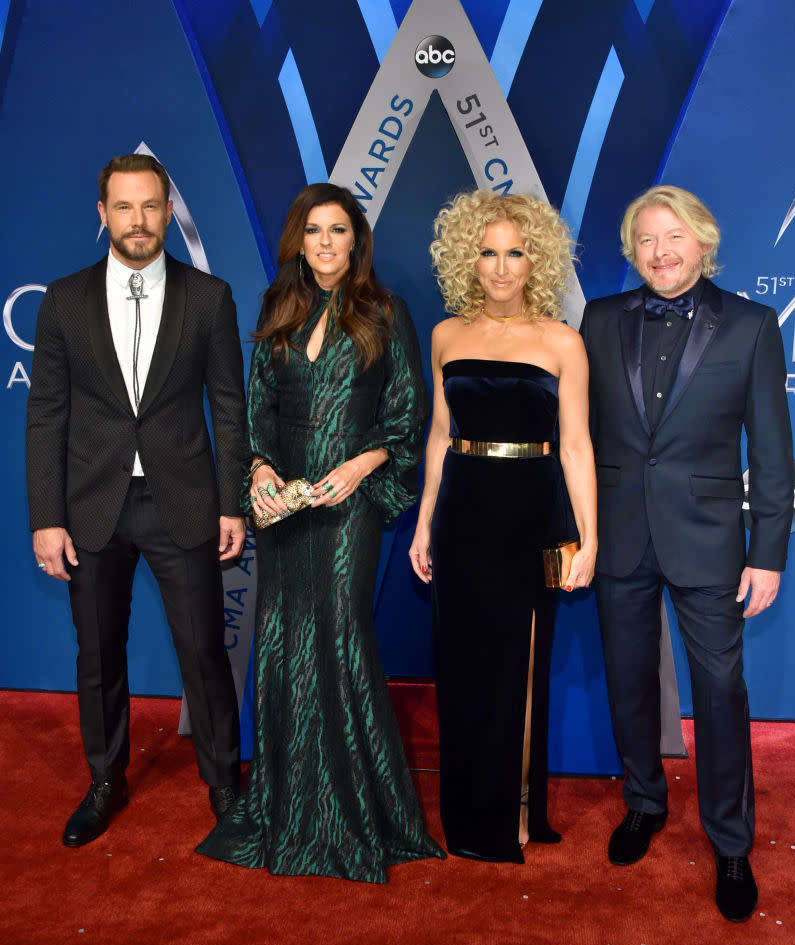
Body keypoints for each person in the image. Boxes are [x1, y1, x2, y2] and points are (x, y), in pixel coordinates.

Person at [197, 183, 444, 882]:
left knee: (337, 639)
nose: (326, 243)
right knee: (278, 640)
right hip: (285, 510)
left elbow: (403, 416)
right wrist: (263, 469)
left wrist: (360, 467)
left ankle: (354, 811)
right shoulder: (278, 306)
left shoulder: (384, 312)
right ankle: (284, 805)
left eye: (338, 230)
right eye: (314, 231)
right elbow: (257, 409)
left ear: (355, 240)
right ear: (297, 242)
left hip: (346, 509)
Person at [580, 185, 793, 921]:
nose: (660, 252)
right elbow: (580, 440)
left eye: (673, 237)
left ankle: (730, 842)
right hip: (618, 536)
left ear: (703, 241)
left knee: (720, 693)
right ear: (630, 251)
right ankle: (643, 802)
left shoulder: (751, 325)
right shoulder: (599, 319)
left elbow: (770, 451)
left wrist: (766, 553)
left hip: (708, 542)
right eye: (645, 240)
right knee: (629, 680)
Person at [26, 153, 247, 847]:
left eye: (151, 206)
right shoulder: (63, 301)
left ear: (167, 212)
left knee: (203, 651)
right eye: (124, 207)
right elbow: (46, 416)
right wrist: (47, 518)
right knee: (97, 654)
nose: (139, 221)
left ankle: (223, 786)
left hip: (182, 500)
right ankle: (104, 780)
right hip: (93, 506)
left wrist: (232, 503)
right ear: (102, 214)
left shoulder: (208, 297)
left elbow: (229, 410)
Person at [409, 190, 597, 863]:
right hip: (460, 512)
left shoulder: (560, 341)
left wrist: (589, 538)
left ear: (535, 261)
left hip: (529, 513)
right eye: (487, 252)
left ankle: (514, 812)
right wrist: (423, 525)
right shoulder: (445, 335)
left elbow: (575, 447)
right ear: (467, 258)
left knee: (517, 668)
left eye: (514, 252)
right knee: (462, 666)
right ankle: (467, 816)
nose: (499, 267)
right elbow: (438, 435)